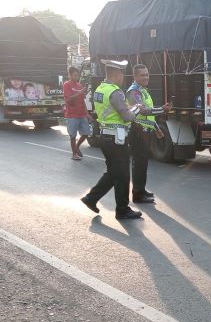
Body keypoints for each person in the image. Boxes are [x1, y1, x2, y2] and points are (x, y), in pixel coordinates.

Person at [81, 59, 143, 220]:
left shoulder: (100, 89)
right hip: (117, 139)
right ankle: (122, 210)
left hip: (105, 137)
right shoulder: (115, 92)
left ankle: (91, 198)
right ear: (116, 74)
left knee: (113, 172)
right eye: (122, 73)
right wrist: (137, 108)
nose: (123, 77)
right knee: (122, 175)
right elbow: (127, 116)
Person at [126, 64, 172, 203]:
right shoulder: (133, 92)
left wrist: (157, 129)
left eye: (147, 74)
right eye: (142, 75)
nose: (146, 77)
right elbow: (143, 111)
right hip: (137, 131)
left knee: (143, 163)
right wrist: (162, 110)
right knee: (139, 163)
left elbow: (149, 116)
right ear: (135, 76)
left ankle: (141, 190)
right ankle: (137, 194)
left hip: (145, 132)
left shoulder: (143, 91)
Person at [63, 66, 91, 160]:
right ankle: (74, 154)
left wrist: (87, 113)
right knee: (73, 135)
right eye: (75, 75)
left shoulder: (79, 85)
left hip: (81, 114)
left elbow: (82, 100)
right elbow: (69, 100)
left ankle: (77, 146)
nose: (77, 77)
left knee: (86, 132)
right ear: (69, 75)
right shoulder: (67, 85)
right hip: (72, 114)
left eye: (77, 76)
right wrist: (80, 92)